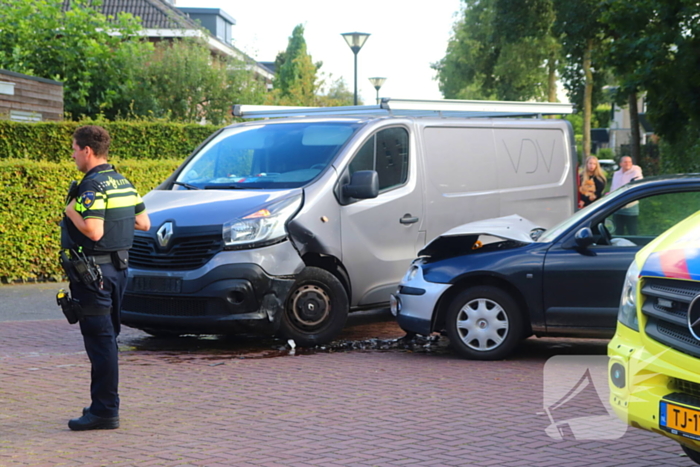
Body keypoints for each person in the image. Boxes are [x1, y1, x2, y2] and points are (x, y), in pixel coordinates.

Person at [62, 125, 150, 431]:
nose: (73, 155)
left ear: (87, 150)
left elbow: (94, 230)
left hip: (94, 276)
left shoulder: (93, 186)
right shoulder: (122, 181)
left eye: (74, 149)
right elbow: (143, 222)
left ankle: (104, 410)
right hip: (118, 272)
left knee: (100, 343)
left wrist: (71, 210)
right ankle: (103, 403)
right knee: (107, 338)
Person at [610, 155, 643, 235]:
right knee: (618, 230)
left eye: (629, 162)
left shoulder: (636, 173)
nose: (627, 163)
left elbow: (637, 187)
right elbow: (613, 187)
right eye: (625, 162)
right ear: (620, 164)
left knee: (632, 230)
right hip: (617, 206)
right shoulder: (616, 174)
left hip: (630, 206)